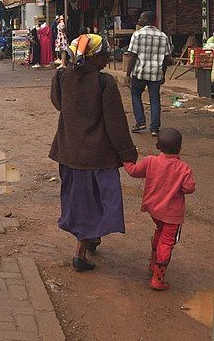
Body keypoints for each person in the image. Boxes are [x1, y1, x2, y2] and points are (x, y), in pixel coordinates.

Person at [50, 34, 137, 272]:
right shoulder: (104, 82)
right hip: (97, 157)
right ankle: (80, 253)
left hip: (69, 153)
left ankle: (91, 238)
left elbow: (59, 104)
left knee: (78, 201)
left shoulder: (62, 76)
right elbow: (115, 123)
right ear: (96, 57)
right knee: (96, 201)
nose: (109, 59)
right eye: (106, 55)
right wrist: (128, 153)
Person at [123, 128, 195, 291]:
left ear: (157, 146)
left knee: (159, 231)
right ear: (180, 148)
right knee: (167, 242)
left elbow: (133, 171)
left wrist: (125, 159)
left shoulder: (150, 161)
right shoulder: (184, 169)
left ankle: (153, 263)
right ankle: (158, 278)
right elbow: (189, 188)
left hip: (154, 210)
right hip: (172, 214)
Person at [125, 11, 173, 136]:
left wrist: (127, 74)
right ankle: (155, 128)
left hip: (140, 72)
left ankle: (140, 122)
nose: (139, 19)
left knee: (135, 95)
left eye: (141, 17)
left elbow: (132, 56)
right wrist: (163, 74)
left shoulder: (137, 35)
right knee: (155, 99)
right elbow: (168, 59)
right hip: (156, 73)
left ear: (146, 20)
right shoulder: (163, 36)